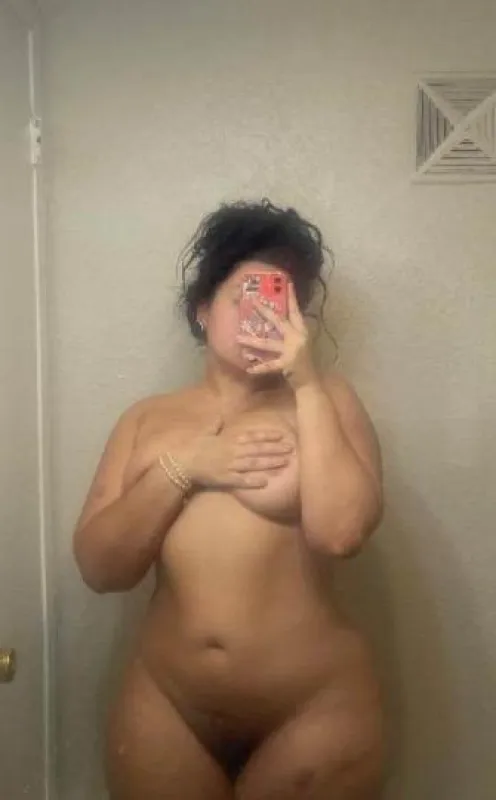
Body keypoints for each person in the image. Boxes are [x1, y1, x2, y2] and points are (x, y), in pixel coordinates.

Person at [73, 199, 386, 800]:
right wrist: (184, 468)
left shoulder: (329, 400)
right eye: (247, 293)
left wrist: (306, 382)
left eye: (282, 298)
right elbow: (100, 569)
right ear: (202, 309)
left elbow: (341, 533)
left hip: (314, 707)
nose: (263, 312)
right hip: (166, 704)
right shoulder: (145, 420)